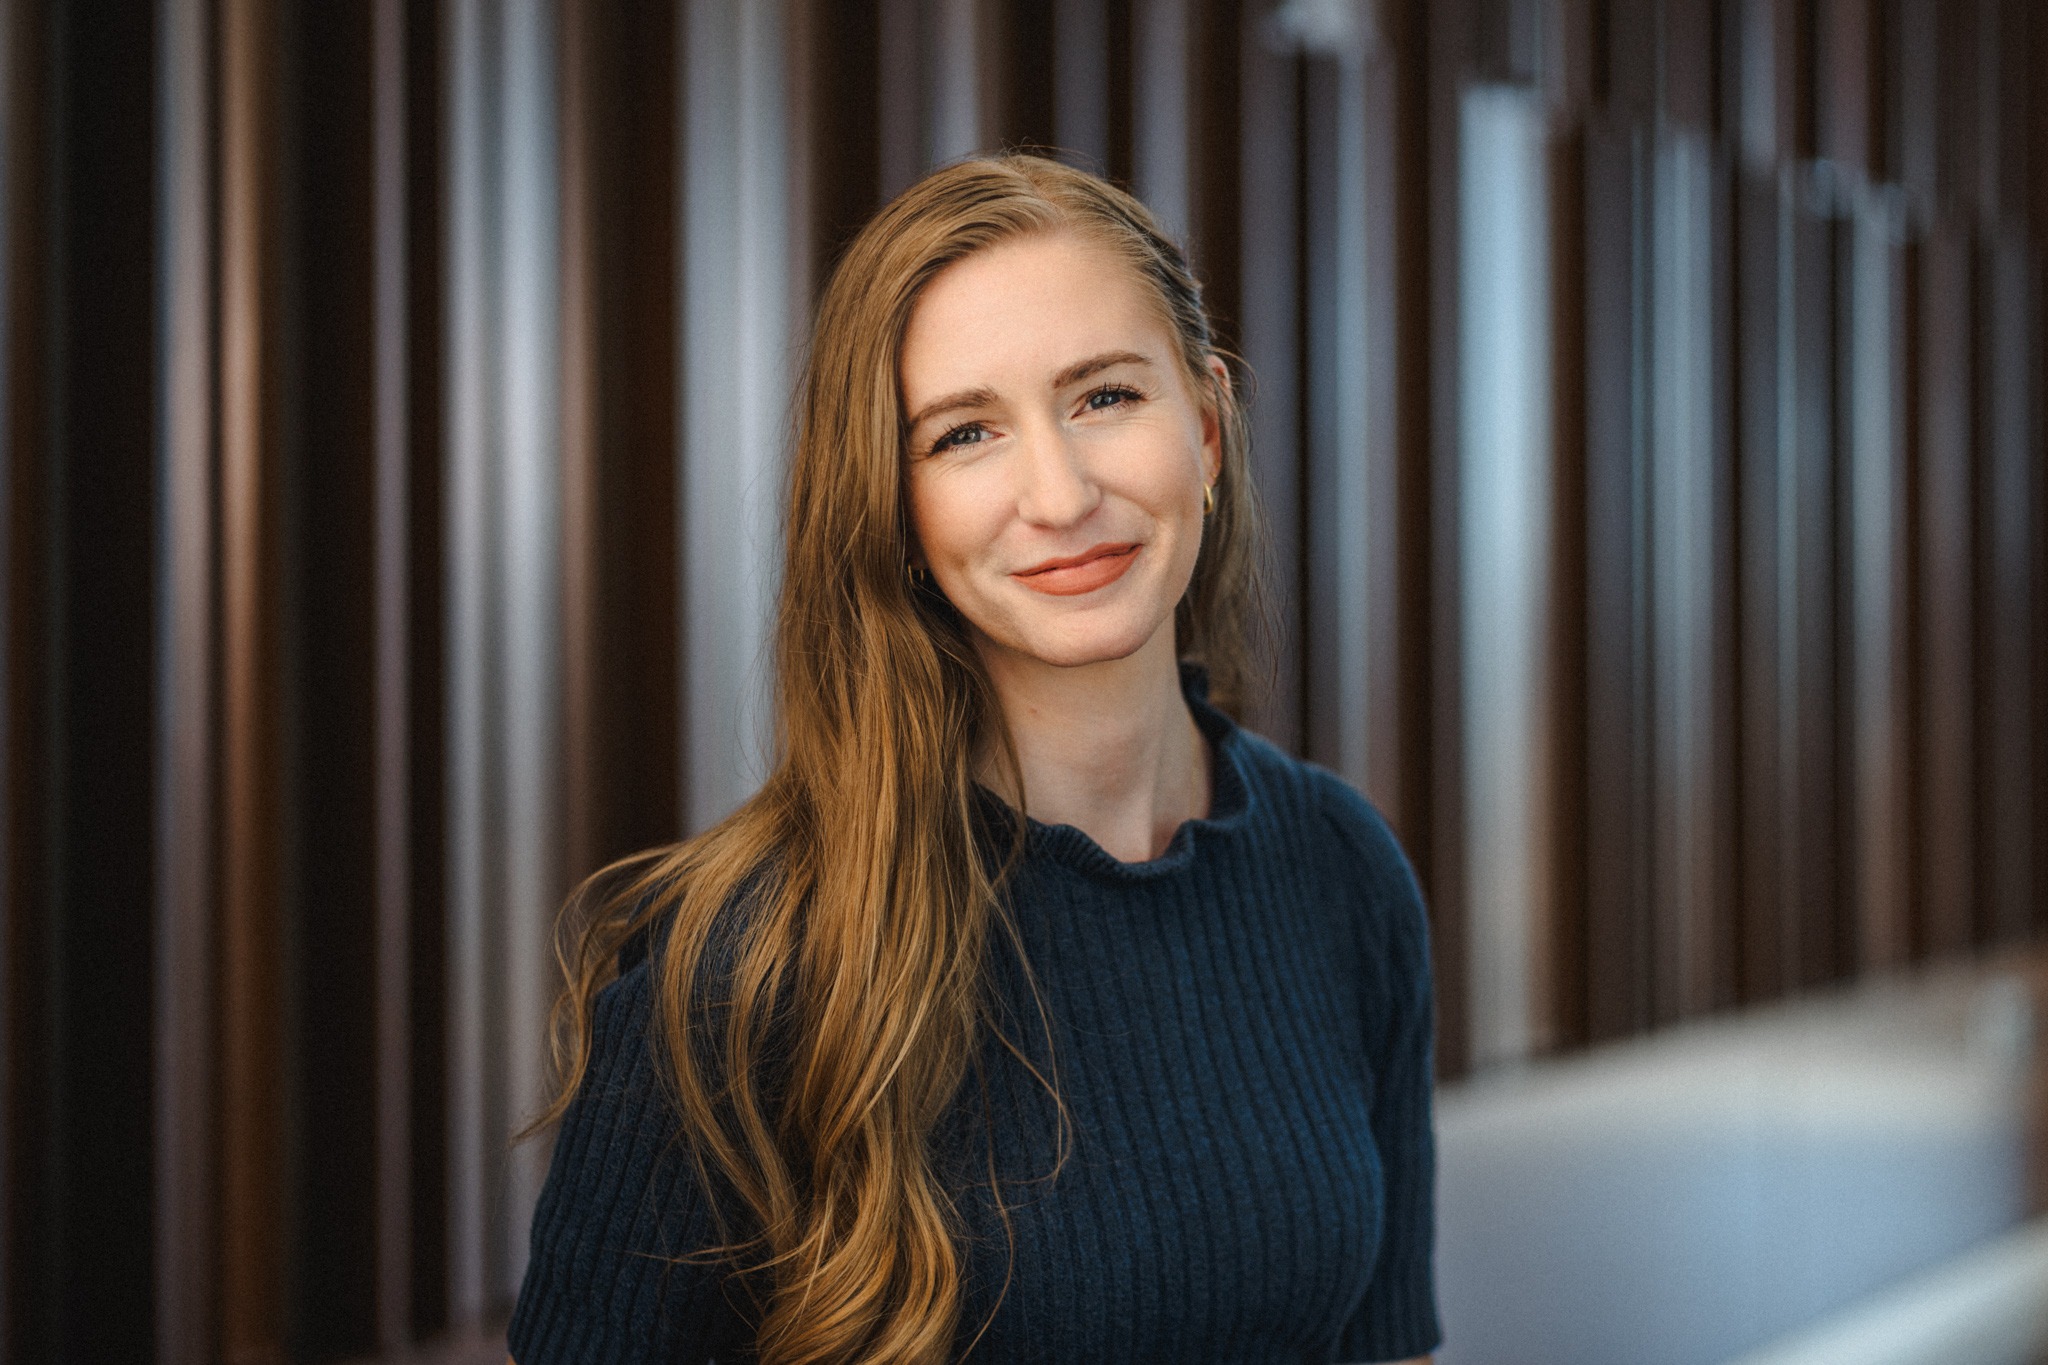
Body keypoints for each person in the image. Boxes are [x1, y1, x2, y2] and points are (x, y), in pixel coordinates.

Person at [507, 153, 1440, 1365]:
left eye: (1104, 397)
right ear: (892, 510)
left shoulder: (1339, 870)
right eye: (963, 434)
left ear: (1205, 427)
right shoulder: (744, 964)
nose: (1057, 495)